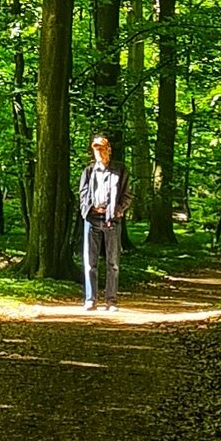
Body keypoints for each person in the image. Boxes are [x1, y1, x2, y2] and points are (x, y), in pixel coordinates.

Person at [77, 132, 126, 311]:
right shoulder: (88, 171)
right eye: (96, 148)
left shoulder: (120, 170)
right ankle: (90, 299)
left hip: (112, 220)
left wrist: (118, 210)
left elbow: (128, 194)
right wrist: (88, 208)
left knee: (113, 263)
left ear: (109, 149)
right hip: (91, 219)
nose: (99, 151)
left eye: (102, 148)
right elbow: (82, 193)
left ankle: (111, 301)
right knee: (90, 263)